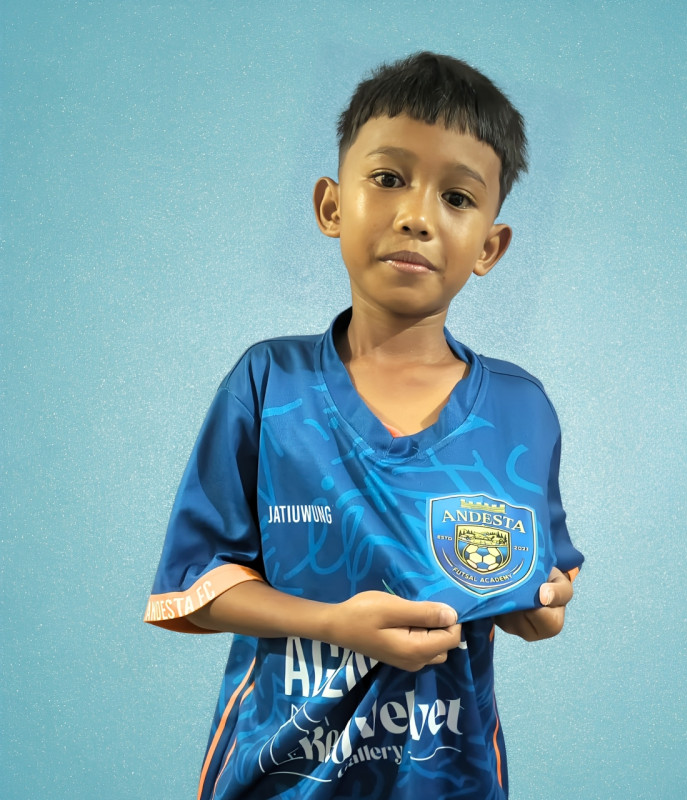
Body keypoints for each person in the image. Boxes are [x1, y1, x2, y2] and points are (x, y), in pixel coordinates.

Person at [144, 51, 584, 800]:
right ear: (331, 206)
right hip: (277, 777)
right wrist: (333, 624)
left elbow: (536, 579)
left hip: (450, 777)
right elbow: (197, 585)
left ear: (489, 246)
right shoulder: (268, 384)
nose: (417, 215)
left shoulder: (523, 410)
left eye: (456, 196)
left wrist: (539, 610)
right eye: (387, 179)